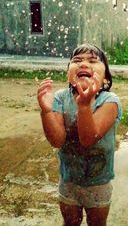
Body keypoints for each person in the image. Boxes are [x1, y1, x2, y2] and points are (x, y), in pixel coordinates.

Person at [37, 43, 122, 226]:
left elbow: (88, 139)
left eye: (92, 61)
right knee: (70, 222)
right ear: (69, 74)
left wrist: (84, 107)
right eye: (76, 61)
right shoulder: (60, 97)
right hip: (69, 180)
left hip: (98, 181)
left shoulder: (110, 101)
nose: (83, 64)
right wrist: (46, 112)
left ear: (106, 78)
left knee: (97, 223)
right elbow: (57, 140)